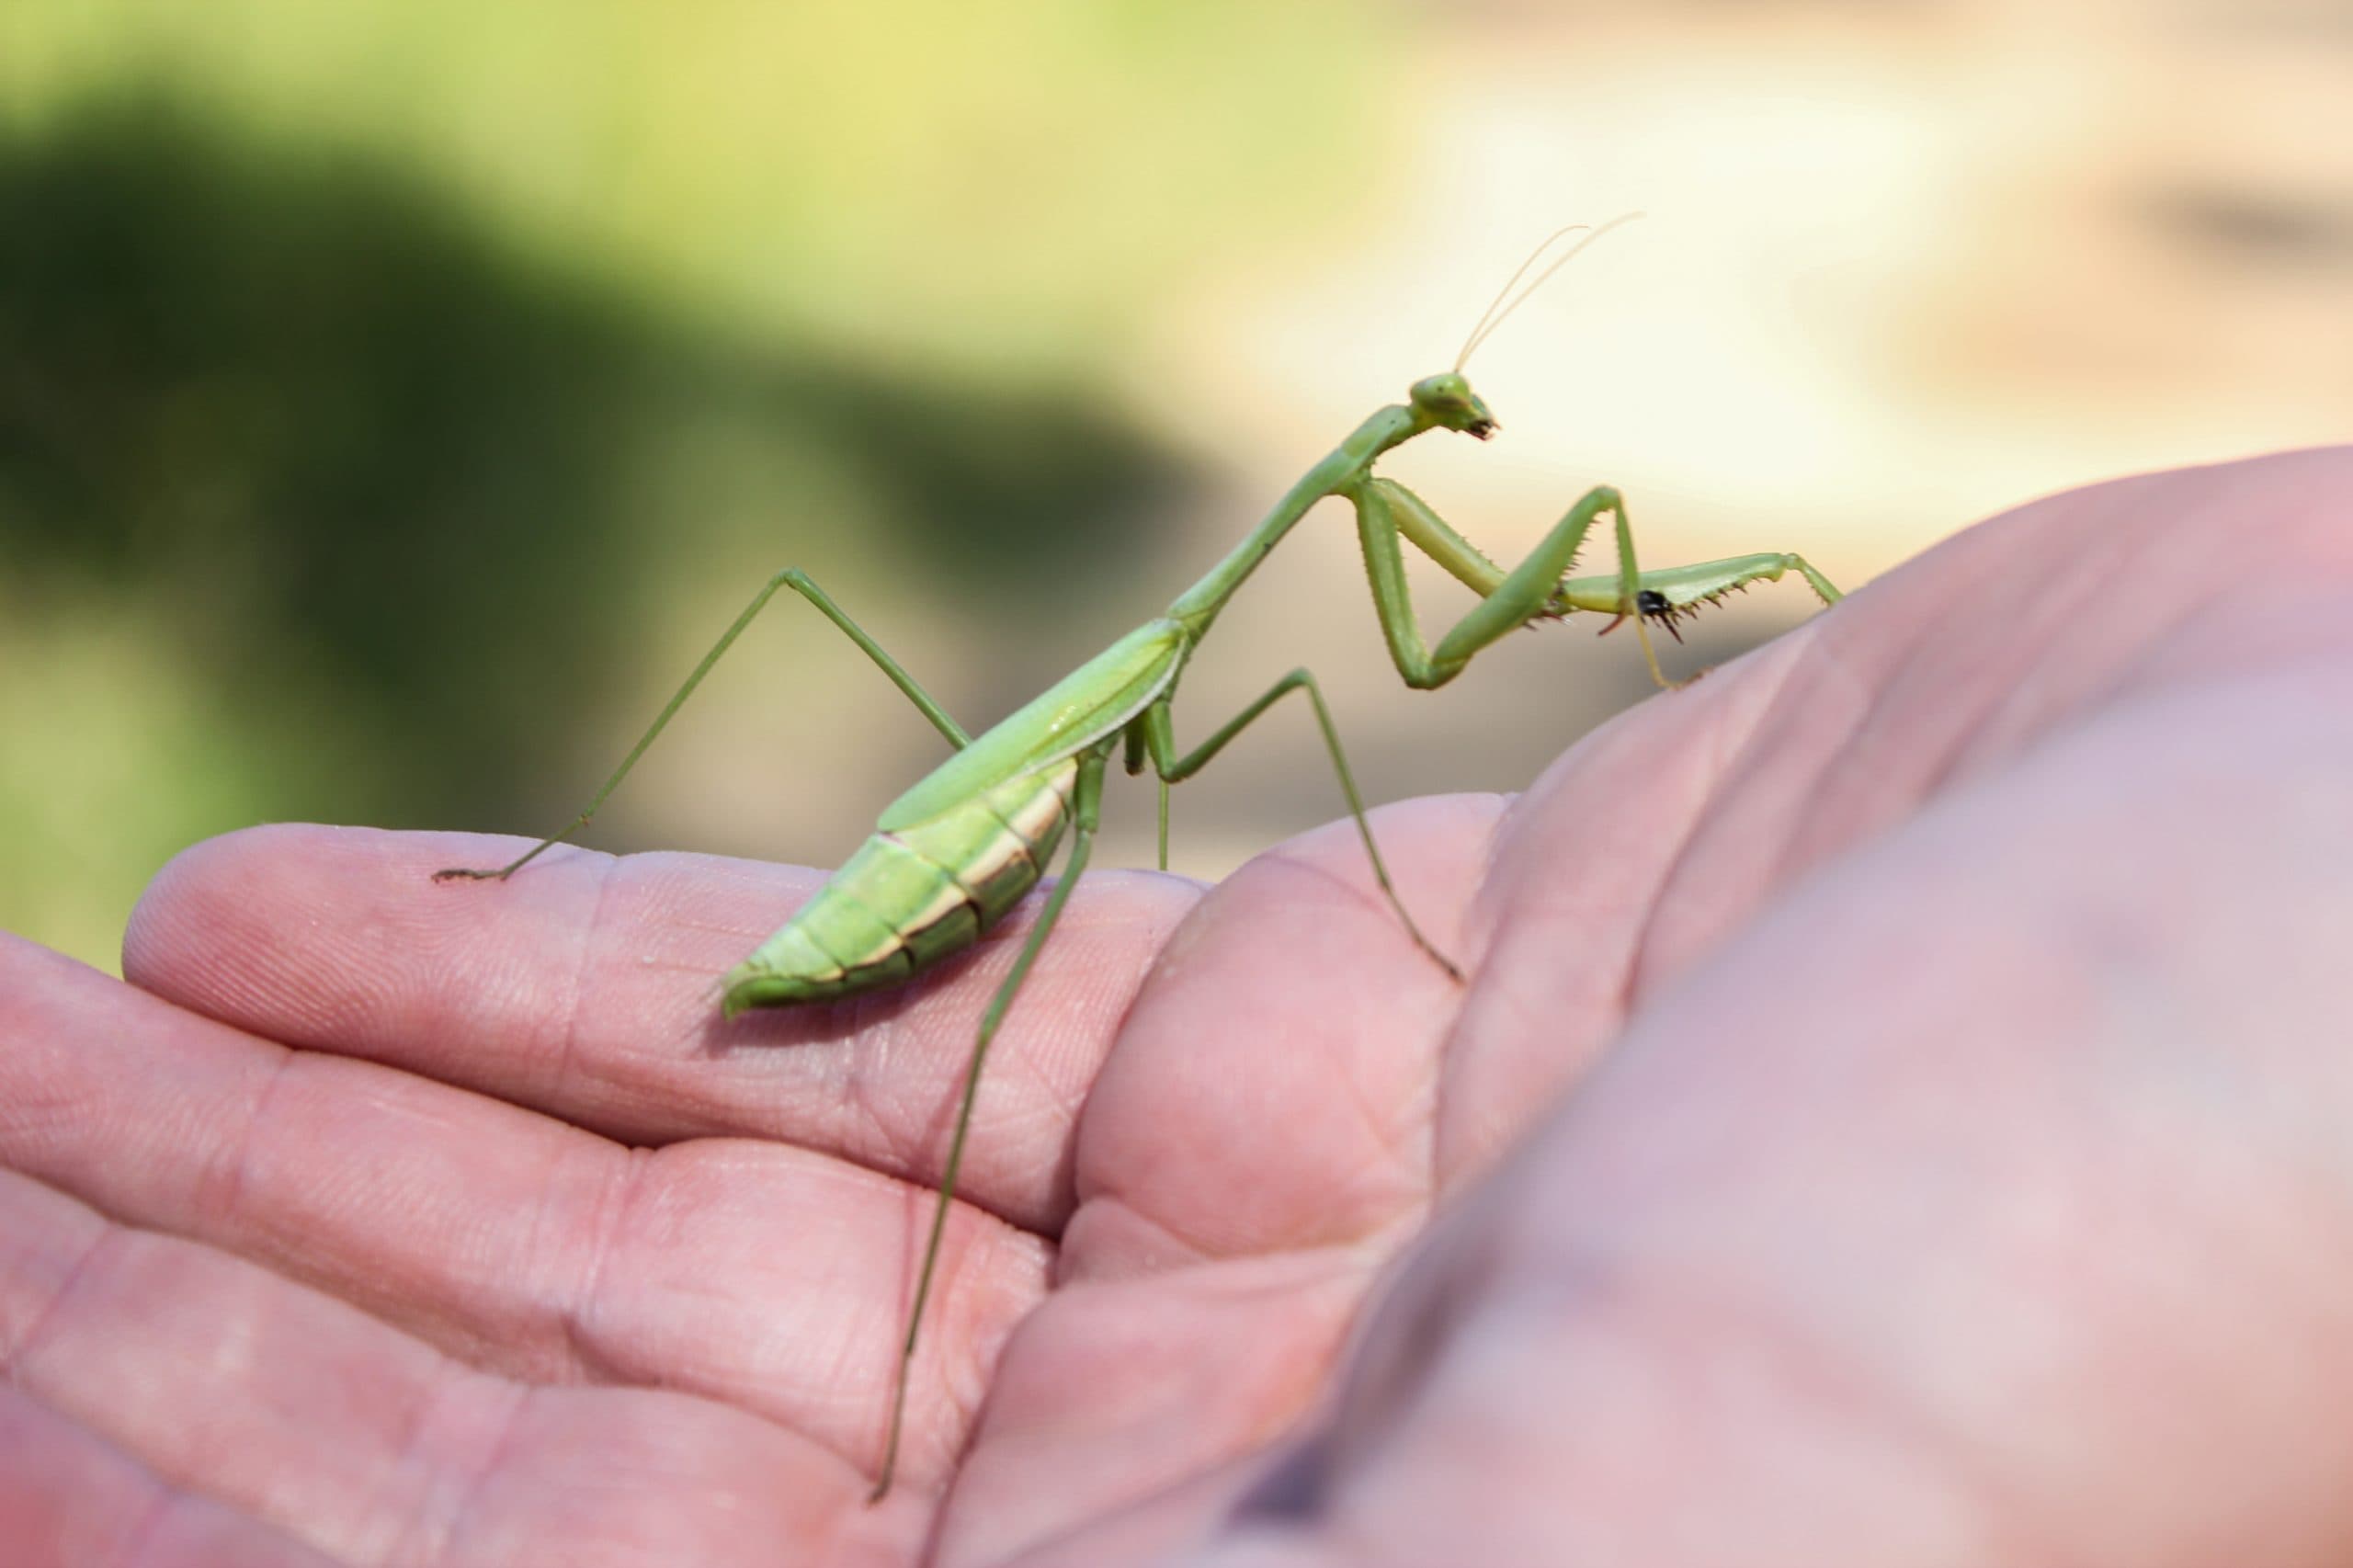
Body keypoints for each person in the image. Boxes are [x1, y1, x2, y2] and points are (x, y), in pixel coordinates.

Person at [3, 449, 2348, 1565]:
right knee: (830, 624)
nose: (1433, 451)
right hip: (939, 865)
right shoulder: (1228, 640)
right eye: (1420, 429)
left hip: (989, 832)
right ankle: (530, 868)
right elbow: (1393, 687)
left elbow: (1424, 650)